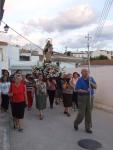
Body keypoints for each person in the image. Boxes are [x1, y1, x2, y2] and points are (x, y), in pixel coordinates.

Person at [74, 69, 97, 134]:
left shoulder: (91, 78)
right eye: (85, 72)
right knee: (81, 113)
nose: (86, 73)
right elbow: (77, 89)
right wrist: (86, 91)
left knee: (89, 112)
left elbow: (95, 86)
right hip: (82, 97)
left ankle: (88, 127)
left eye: (87, 72)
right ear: (81, 73)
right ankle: (76, 123)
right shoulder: (80, 80)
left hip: (90, 97)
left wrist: (90, 82)